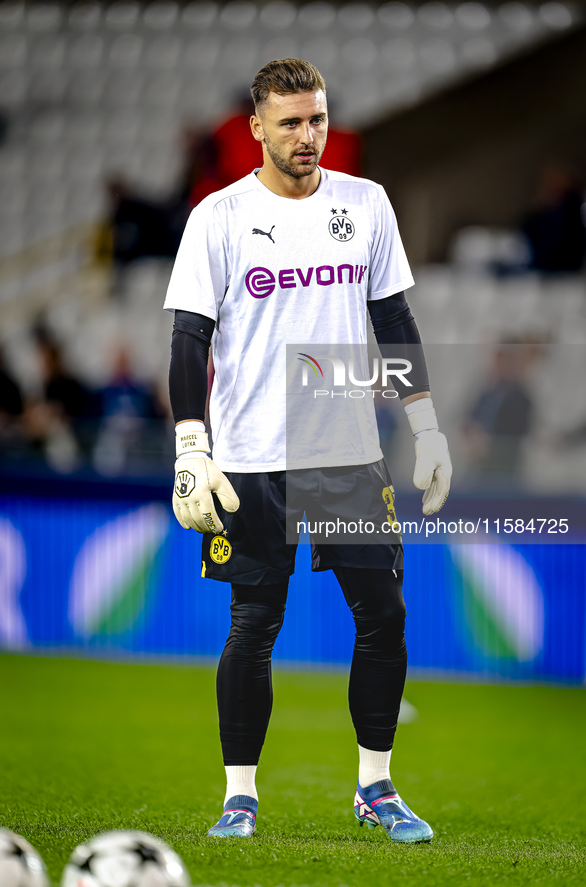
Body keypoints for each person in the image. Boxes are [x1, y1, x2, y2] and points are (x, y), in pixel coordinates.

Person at [164, 59, 452, 843]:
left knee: (383, 613)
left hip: (346, 449)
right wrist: (193, 446)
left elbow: (394, 321)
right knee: (254, 619)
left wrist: (425, 428)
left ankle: (375, 786)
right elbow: (189, 338)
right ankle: (239, 797)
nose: (306, 135)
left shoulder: (365, 204)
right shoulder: (216, 217)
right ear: (254, 127)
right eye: (289, 122)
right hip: (252, 453)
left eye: (316, 119)